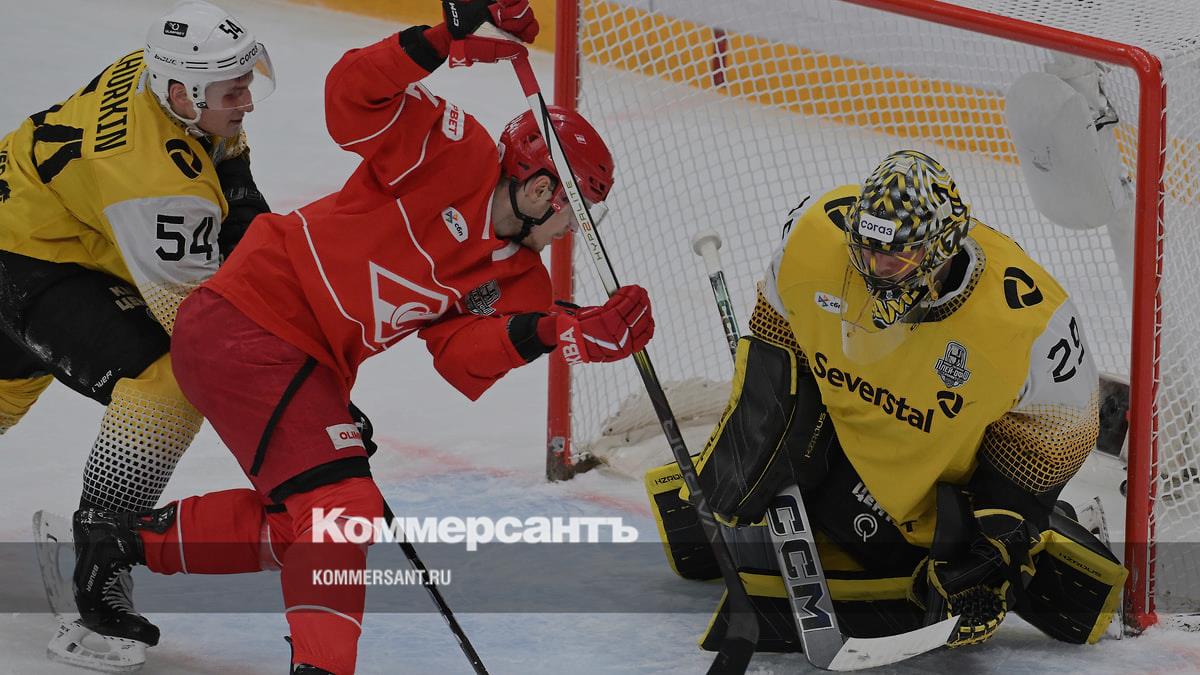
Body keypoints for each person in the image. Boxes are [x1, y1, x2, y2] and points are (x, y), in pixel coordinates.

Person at [69, 2, 654, 673]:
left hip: (302, 360)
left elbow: (462, 359)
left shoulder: (522, 279)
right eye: (577, 209)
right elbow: (350, 97)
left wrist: (559, 332)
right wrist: (444, 36)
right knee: (340, 506)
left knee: (311, 524)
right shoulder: (454, 149)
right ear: (542, 187)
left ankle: (117, 542)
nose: (575, 228)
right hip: (246, 315)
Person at [648, 150, 1127, 653]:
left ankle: (1038, 538)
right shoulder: (815, 240)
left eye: (896, 257)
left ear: (942, 249)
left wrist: (993, 547)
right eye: (866, 250)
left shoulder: (1029, 322)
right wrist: (754, 439)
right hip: (839, 449)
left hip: (937, 495)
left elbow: (1052, 446)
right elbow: (778, 338)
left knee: (990, 586)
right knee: (709, 516)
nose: (875, 270)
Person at [0, 0, 273, 646]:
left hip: (44, 225)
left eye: (247, 83)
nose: (247, 102)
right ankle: (102, 559)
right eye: (233, 92)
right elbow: (203, 334)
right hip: (32, 260)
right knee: (171, 382)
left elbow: (228, 175)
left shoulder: (162, 74)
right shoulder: (156, 186)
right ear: (182, 93)